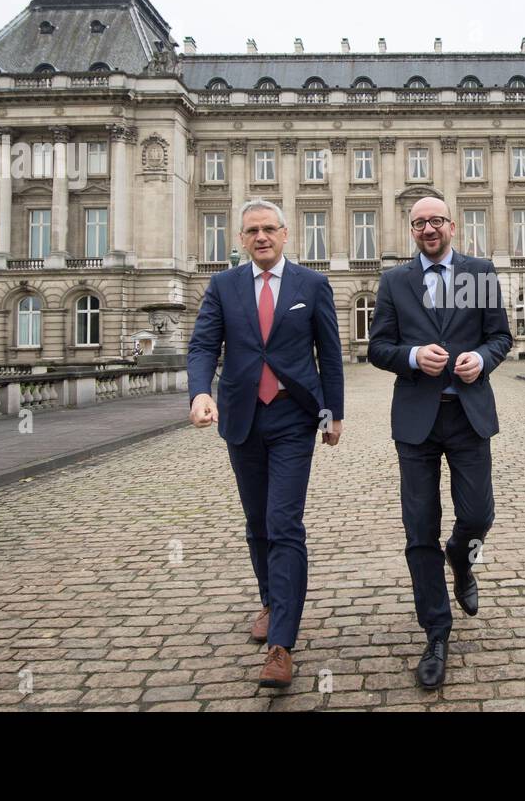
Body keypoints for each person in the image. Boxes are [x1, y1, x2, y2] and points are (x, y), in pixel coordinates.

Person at [187, 198, 344, 689]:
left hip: (294, 417)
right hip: (242, 417)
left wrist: (333, 414)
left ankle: (281, 644)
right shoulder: (223, 285)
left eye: (268, 229)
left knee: (283, 522)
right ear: (241, 239)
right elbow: (203, 346)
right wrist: (198, 393)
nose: (261, 237)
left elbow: (330, 354)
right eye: (251, 231)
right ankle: (271, 599)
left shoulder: (312, 285)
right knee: (256, 522)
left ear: (285, 233)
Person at [368, 196, 512, 689]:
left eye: (436, 221)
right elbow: (378, 347)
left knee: (478, 515)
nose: (428, 229)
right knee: (418, 528)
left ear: (452, 225)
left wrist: (482, 358)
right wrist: (410, 357)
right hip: (417, 422)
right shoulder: (394, 281)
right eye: (418, 223)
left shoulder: (481, 272)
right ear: (411, 230)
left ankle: (461, 559)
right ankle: (436, 632)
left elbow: (501, 337)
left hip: (468, 415)